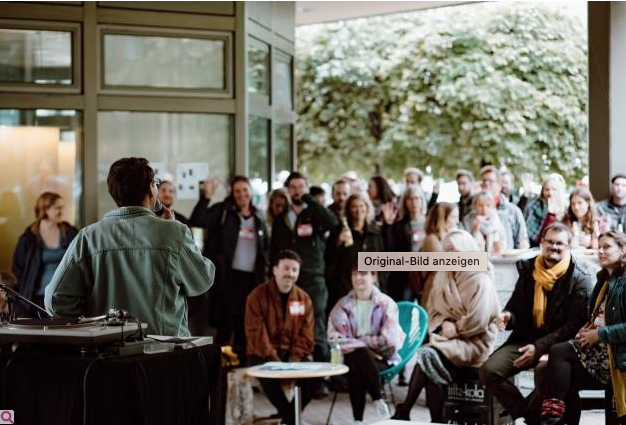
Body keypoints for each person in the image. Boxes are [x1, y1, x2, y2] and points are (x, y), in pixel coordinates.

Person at [45, 157, 215, 337]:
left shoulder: (89, 236)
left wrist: (91, 322)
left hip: (107, 351)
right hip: (164, 350)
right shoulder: (174, 232)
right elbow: (202, 281)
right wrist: (172, 231)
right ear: (151, 189)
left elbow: (55, 300)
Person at [479, 223, 594, 424]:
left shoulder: (579, 278)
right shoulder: (529, 269)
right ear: (541, 243)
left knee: (545, 373)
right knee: (489, 370)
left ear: (568, 247)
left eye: (560, 243)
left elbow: (574, 326)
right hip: (527, 340)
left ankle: (535, 417)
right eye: (550, 242)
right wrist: (508, 316)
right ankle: (527, 415)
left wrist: (539, 347)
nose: (554, 247)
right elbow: (515, 307)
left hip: (561, 347)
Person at [392, 229, 500, 422]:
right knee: (429, 359)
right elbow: (432, 311)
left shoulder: (480, 279)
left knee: (427, 355)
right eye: (445, 250)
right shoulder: (443, 277)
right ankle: (432, 420)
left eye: (453, 249)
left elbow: (481, 318)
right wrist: (444, 322)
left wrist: (457, 328)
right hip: (448, 338)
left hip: (475, 342)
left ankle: (406, 410)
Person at [540, 231, 626, 424]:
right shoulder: (604, 279)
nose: (601, 251)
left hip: (617, 355)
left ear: (623, 250)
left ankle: (551, 416)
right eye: (599, 247)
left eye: (607, 247)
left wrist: (600, 335)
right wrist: (586, 329)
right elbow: (600, 316)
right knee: (559, 364)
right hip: (604, 350)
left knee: (559, 354)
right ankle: (554, 417)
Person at [271, 171, 338, 396]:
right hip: (288, 282)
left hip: (313, 280)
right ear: (288, 190)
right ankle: (296, 377)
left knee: (316, 326)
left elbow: (333, 222)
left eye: (301, 187)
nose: (297, 191)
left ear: (306, 188)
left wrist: (310, 200)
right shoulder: (282, 218)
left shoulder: (315, 215)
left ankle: (322, 380)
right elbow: (273, 250)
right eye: (293, 187)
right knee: (293, 326)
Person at [190, 175, 269, 357]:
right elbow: (198, 220)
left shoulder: (258, 217)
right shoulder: (223, 211)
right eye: (237, 191)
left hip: (252, 282)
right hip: (228, 280)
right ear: (232, 194)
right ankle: (220, 374)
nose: (242, 194)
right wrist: (206, 196)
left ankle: (240, 374)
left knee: (245, 329)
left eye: (245, 190)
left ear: (250, 191)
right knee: (226, 328)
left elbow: (265, 249)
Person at [245, 250, 316, 425]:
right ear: (275, 269)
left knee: (314, 378)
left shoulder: (304, 299)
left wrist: (292, 361)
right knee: (265, 374)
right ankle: (291, 419)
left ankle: (287, 419)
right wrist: (276, 362)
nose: (290, 274)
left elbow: (307, 335)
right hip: (265, 354)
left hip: (293, 355)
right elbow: (256, 334)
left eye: (294, 270)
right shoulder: (257, 296)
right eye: (285, 268)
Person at [327, 266, 406, 423]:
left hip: (381, 359)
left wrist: (358, 343)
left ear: (374, 277)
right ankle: (378, 399)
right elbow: (334, 337)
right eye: (355, 274)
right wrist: (365, 345)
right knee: (358, 356)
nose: (358, 278)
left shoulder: (386, 303)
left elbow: (390, 339)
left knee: (357, 362)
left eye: (363, 274)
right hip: (352, 356)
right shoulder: (342, 304)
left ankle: (357, 420)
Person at [12, 192, 78, 317]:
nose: (61, 211)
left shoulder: (70, 232)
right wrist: (25, 290)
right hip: (36, 300)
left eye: (62, 207)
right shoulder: (29, 238)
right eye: (57, 208)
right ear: (45, 209)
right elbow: (18, 268)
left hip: (64, 298)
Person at [326, 193, 384, 312]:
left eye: (362, 206)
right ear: (348, 209)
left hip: (369, 288)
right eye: (354, 206)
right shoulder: (339, 230)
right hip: (345, 286)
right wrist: (338, 242)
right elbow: (328, 257)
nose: (358, 210)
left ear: (367, 208)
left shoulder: (375, 232)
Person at [382, 186, 427, 302]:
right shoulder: (399, 225)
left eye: (417, 198)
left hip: (425, 272)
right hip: (405, 275)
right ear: (405, 202)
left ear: (422, 201)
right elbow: (390, 248)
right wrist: (388, 225)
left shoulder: (429, 223)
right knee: (404, 308)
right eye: (410, 199)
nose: (414, 202)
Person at [480, 165, 530, 250]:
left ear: (499, 185)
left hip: (506, 261)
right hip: (479, 262)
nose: (486, 184)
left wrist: (523, 247)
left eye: (490, 181)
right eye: (484, 181)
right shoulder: (473, 211)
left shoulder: (513, 211)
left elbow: (522, 240)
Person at [420, 202, 460, 304]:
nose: (457, 221)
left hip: (443, 291)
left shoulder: (447, 237)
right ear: (442, 218)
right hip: (434, 292)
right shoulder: (432, 239)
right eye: (453, 217)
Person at [524, 174, 568, 247]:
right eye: (547, 189)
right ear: (542, 191)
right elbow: (536, 239)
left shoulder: (566, 208)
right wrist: (550, 215)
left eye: (554, 189)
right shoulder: (535, 206)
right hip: (537, 248)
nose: (550, 193)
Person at [463, 191, 507, 256]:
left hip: (495, 262)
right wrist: (475, 231)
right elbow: (465, 247)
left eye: (488, 205)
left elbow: (504, 246)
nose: (484, 209)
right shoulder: (467, 221)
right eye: (480, 205)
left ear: (492, 207)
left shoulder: (497, 222)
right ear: (474, 206)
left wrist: (499, 250)